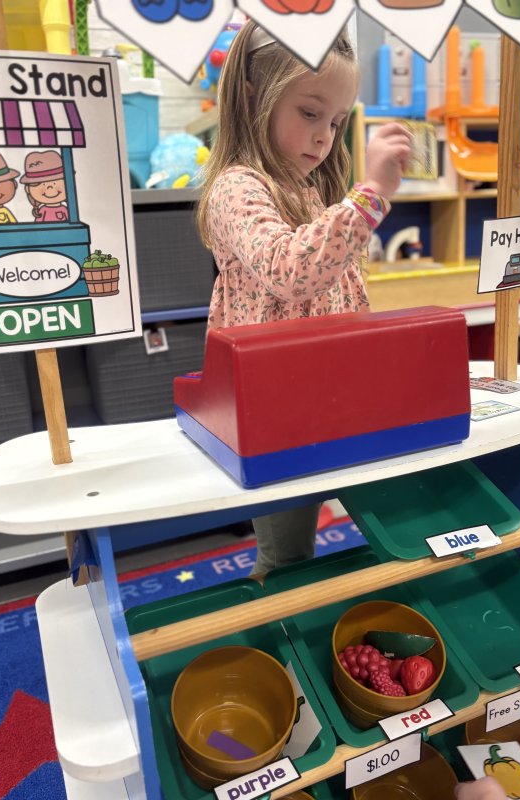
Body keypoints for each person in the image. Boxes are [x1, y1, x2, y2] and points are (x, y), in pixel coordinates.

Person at [197, 20, 412, 574]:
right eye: (310, 113)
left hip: (327, 389)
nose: (324, 137)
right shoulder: (237, 188)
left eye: (336, 122)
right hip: (272, 405)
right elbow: (289, 271)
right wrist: (371, 196)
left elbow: (335, 284)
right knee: (287, 553)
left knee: (393, 519)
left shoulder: (309, 191)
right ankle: (285, 625)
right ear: (253, 97)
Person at [20, 150, 69, 223]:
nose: (50, 187)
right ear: (28, 189)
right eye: (43, 184)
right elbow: (39, 226)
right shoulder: (43, 211)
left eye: (54, 183)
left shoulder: (64, 209)